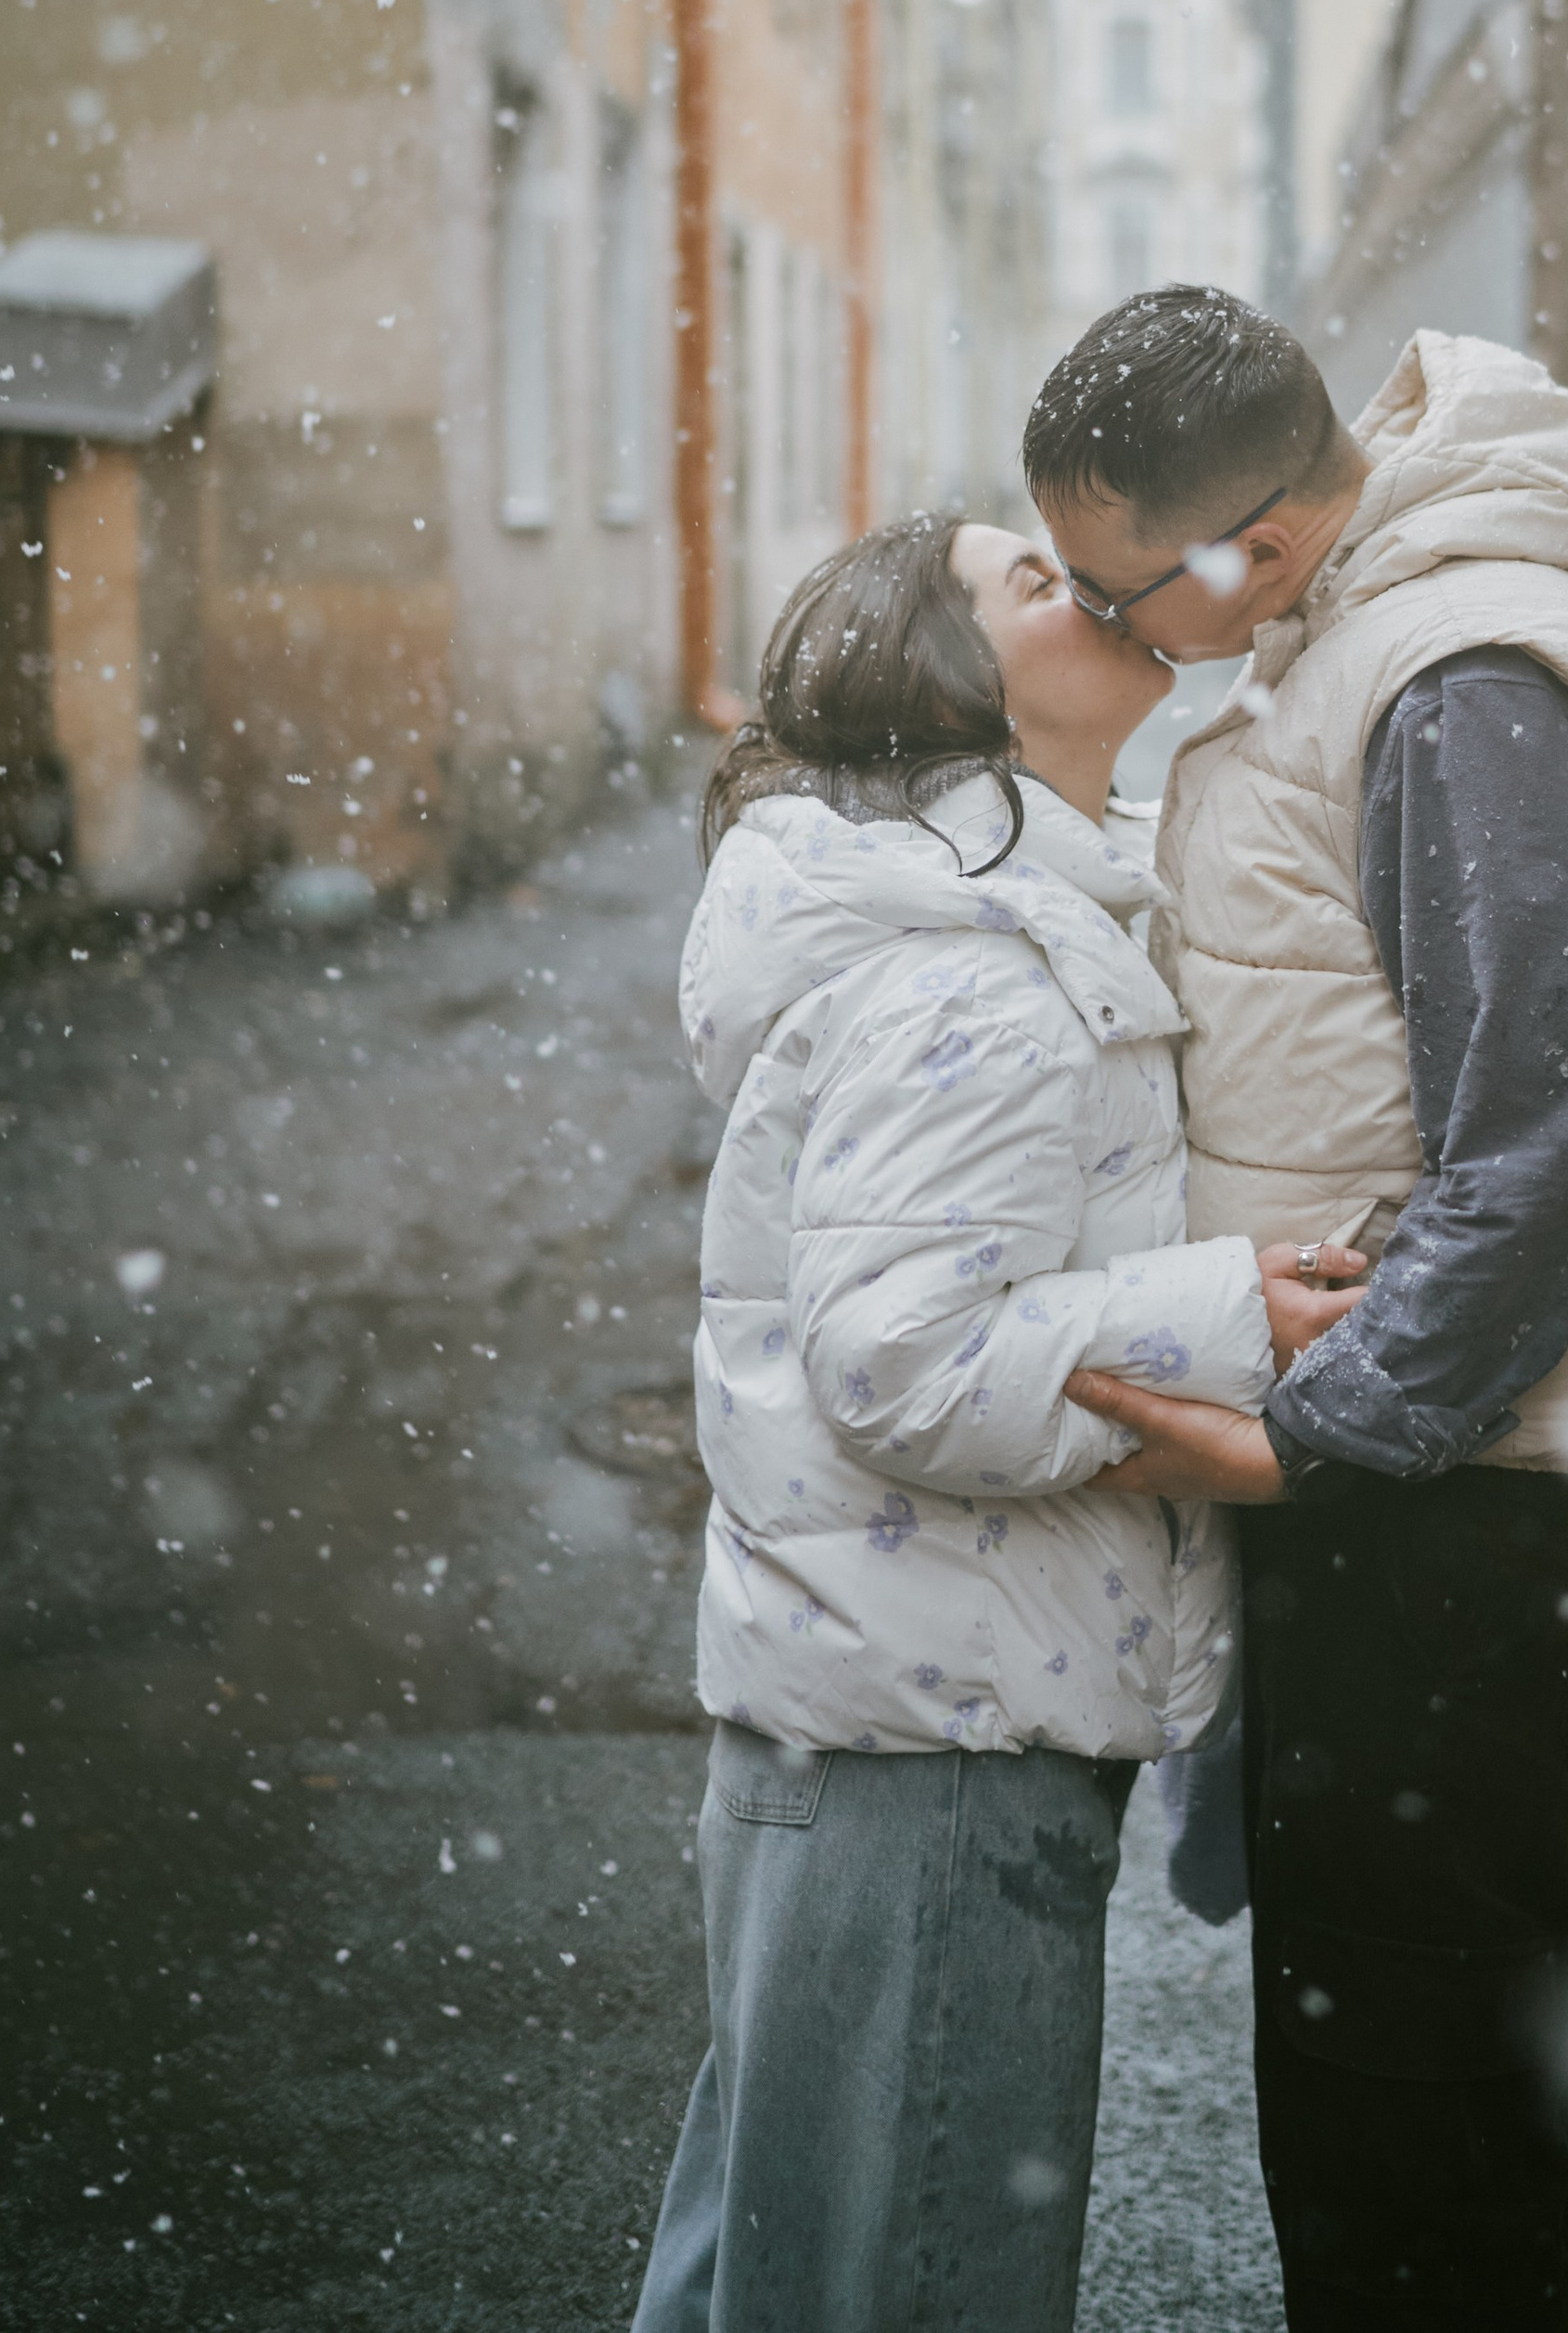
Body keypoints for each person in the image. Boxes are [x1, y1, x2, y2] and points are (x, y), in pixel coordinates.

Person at [1023, 291, 1568, 2333]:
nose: (1107, 629)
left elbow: (1543, 1138)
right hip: (1442, 1469)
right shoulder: (1374, 638)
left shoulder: (1461, 680)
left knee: (1409, 2115)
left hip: (1467, 1493)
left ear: (1242, 544)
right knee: (1381, 2093)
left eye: (1114, 585)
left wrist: (1324, 1431)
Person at [631, 509, 1364, 2333]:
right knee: (906, 2282)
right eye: (1029, 580)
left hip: (900, 1718)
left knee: (785, 2270)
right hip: (930, 1749)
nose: (1091, 581)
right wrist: (1226, 1312)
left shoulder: (1008, 918)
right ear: (947, 686)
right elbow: (899, 1359)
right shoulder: (969, 972)